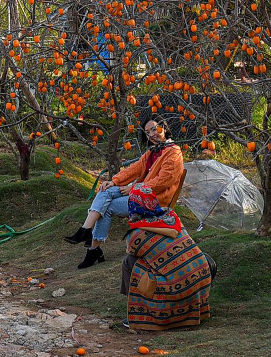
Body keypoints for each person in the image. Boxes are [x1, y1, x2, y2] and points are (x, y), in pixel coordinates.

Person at [66, 119, 185, 270]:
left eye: (154, 129)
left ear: (164, 128)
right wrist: (114, 181)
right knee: (106, 190)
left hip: (154, 200)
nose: (151, 134)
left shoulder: (174, 152)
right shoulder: (152, 151)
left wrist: (134, 188)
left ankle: (92, 248)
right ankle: (86, 230)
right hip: (139, 194)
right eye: (147, 132)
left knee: (107, 207)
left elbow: (164, 181)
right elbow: (134, 169)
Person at [119, 189, 213, 332]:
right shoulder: (172, 217)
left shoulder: (136, 235)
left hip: (179, 290)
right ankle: (193, 308)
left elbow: (132, 251)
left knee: (129, 261)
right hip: (201, 278)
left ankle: (138, 309)